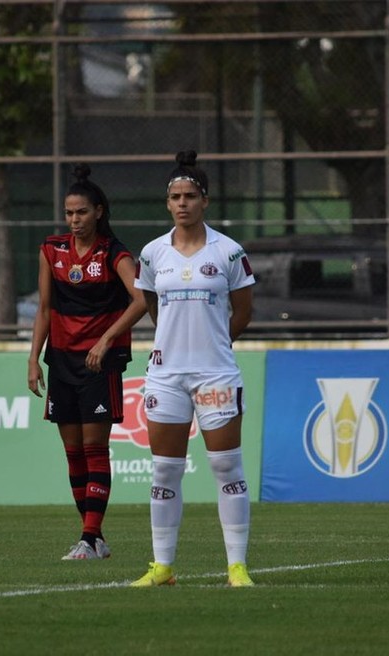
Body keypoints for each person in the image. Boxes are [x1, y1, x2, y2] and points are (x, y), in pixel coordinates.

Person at [130, 150, 256, 587]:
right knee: (165, 470)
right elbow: (149, 303)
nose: (182, 203)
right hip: (166, 375)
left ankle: (237, 566)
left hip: (215, 374)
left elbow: (242, 312)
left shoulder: (229, 251)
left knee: (226, 467)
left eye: (190, 195)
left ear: (205, 200)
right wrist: (174, 344)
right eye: (175, 197)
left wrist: (213, 344)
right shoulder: (152, 253)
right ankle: (162, 567)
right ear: (168, 203)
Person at [27, 163, 146, 560]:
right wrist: (33, 360)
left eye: (81, 212)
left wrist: (107, 340)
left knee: (95, 448)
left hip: (98, 363)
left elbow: (142, 298)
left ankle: (91, 536)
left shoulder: (114, 253)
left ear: (99, 212)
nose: (74, 220)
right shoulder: (51, 249)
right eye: (69, 213)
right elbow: (44, 308)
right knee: (73, 451)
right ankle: (92, 536)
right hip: (61, 360)